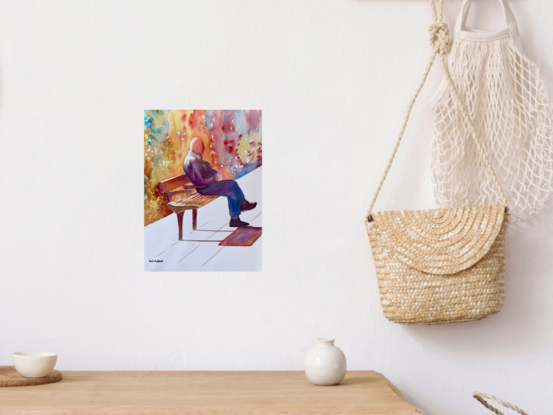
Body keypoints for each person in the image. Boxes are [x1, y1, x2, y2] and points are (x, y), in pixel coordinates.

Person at [183, 137, 256, 227]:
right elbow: (200, 181)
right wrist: (214, 178)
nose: (203, 149)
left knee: (231, 187)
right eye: (202, 147)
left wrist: (216, 174)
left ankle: (236, 216)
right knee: (231, 185)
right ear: (198, 148)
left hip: (207, 185)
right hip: (204, 188)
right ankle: (241, 207)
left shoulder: (194, 158)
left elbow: (208, 171)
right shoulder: (192, 161)